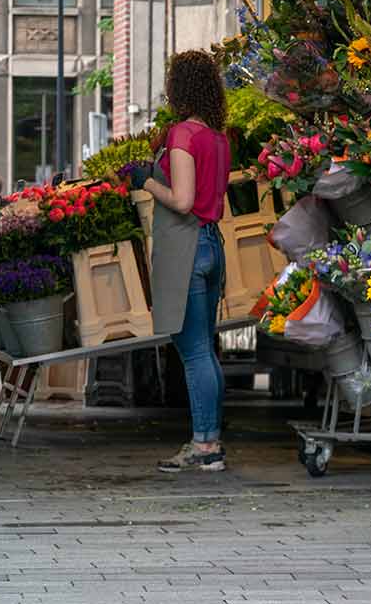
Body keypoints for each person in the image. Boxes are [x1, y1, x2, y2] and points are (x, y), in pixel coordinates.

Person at [130, 50, 232, 473]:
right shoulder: (219, 139)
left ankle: (204, 445)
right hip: (213, 246)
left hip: (188, 249)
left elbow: (184, 201)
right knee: (205, 350)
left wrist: (147, 182)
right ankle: (211, 440)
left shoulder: (183, 136)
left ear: (178, 89)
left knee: (193, 352)